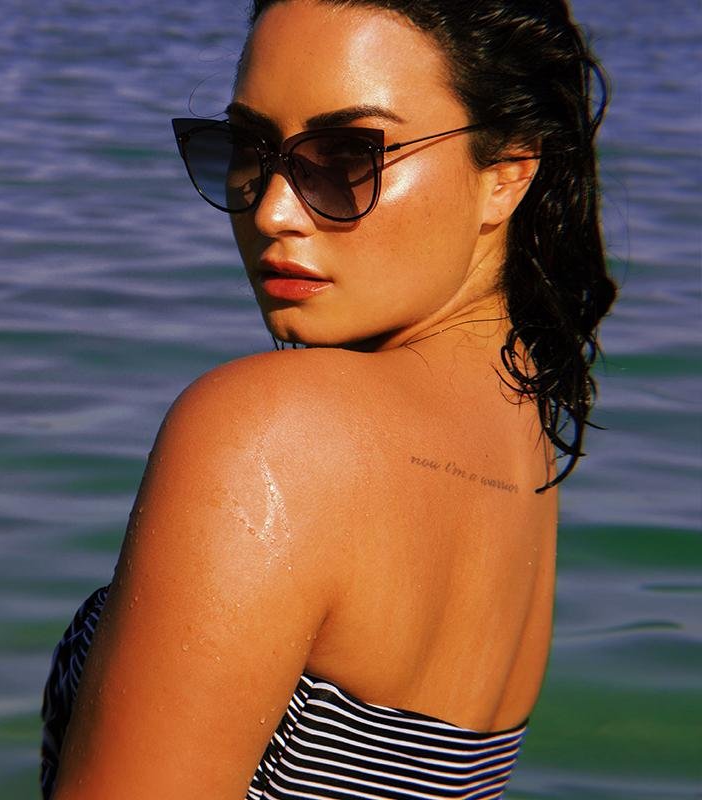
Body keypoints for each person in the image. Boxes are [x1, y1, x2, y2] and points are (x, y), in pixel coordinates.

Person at [42, 0, 616, 797]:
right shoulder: (522, 444)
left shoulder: (275, 434)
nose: (272, 210)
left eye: (348, 157)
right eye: (249, 149)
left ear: (507, 174)